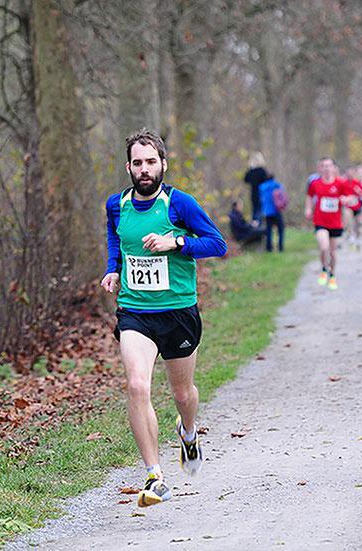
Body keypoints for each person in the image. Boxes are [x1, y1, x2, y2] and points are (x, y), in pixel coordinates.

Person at [101, 129, 227, 507]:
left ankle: (188, 432)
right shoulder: (116, 204)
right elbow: (115, 238)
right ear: (128, 166)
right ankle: (155, 475)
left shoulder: (179, 204)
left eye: (151, 162)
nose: (144, 169)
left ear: (163, 165)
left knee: (182, 394)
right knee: (137, 386)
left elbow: (217, 244)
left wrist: (177, 242)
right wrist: (113, 268)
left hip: (178, 313)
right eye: (137, 163)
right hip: (136, 312)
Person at [305, 157, 356, 291]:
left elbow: (352, 197)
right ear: (320, 168)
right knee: (324, 247)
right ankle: (323, 268)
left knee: (332, 252)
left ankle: (332, 275)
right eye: (324, 166)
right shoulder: (315, 183)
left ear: (334, 168)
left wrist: (346, 199)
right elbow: (309, 196)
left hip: (335, 222)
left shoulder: (341, 183)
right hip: (320, 220)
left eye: (329, 166)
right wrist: (308, 208)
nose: (327, 169)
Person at [259, 174, 285, 252]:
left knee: (269, 230)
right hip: (276, 211)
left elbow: (261, 200)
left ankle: (269, 248)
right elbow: (282, 196)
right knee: (280, 229)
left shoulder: (261, 187)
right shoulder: (277, 185)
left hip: (267, 212)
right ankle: (280, 247)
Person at [244, 152, 268, 223]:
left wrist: (250, 169)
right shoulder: (262, 170)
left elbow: (246, 179)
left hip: (255, 193)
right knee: (258, 209)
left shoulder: (253, 171)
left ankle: (256, 224)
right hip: (259, 193)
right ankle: (257, 225)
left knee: (256, 210)